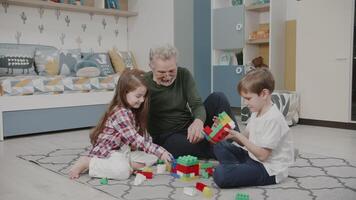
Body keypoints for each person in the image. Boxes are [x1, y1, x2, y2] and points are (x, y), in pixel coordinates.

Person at [68, 69, 172, 180]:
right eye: (138, 96)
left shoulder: (131, 110)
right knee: (122, 172)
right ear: (124, 92)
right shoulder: (120, 112)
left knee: (152, 157)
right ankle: (88, 162)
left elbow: (140, 139)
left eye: (144, 96)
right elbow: (135, 139)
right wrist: (161, 152)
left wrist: (154, 150)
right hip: (109, 152)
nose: (142, 100)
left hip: (123, 151)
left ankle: (128, 164)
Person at [144, 44, 239, 158]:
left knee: (218, 97)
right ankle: (224, 148)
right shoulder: (143, 83)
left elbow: (197, 104)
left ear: (176, 65)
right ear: (151, 66)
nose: (168, 76)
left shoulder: (183, 74)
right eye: (161, 72)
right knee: (196, 147)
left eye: (171, 70)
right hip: (167, 136)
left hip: (189, 126)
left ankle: (235, 138)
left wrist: (198, 122)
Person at [213, 68, 294, 188]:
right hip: (252, 157)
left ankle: (235, 169)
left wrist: (239, 136)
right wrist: (229, 133)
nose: (245, 103)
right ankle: (238, 169)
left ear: (264, 94)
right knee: (219, 145)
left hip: (267, 169)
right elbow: (243, 140)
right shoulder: (256, 112)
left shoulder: (273, 119)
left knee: (221, 174)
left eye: (248, 98)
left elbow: (263, 155)